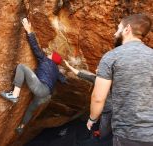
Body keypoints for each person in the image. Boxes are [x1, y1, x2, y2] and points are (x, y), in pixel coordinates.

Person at [87, 13, 153, 146]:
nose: (115, 33)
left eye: (118, 28)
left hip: (126, 134)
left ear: (127, 29)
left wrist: (92, 119)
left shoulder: (112, 57)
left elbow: (98, 98)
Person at [0, 18, 66, 134]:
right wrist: (63, 73)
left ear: (52, 59)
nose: (49, 54)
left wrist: (29, 30)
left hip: (41, 88)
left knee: (21, 67)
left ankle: (14, 94)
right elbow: (63, 80)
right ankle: (21, 126)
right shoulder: (57, 71)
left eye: (51, 54)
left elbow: (35, 48)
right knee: (30, 108)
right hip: (46, 96)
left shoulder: (45, 60)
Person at [64, 60, 112, 139]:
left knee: (105, 122)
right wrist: (69, 66)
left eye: (98, 69)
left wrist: (91, 119)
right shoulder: (103, 78)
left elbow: (98, 100)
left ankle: (102, 136)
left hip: (107, 107)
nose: (96, 70)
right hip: (114, 105)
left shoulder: (97, 79)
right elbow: (80, 74)